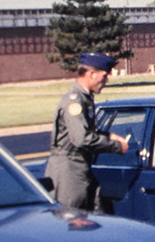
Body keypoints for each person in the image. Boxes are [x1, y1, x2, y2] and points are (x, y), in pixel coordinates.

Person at [44, 52, 128, 211]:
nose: (106, 80)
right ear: (91, 74)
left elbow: (85, 130)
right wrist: (115, 147)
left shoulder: (85, 98)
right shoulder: (74, 100)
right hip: (69, 170)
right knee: (72, 219)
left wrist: (108, 135)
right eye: (104, 76)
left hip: (80, 167)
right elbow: (81, 139)